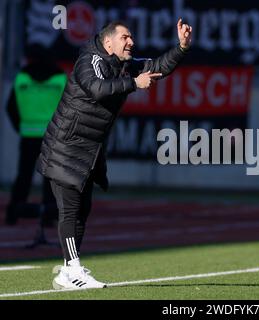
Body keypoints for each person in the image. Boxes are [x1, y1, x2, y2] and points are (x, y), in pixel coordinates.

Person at [36, 19, 192, 289]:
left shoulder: (123, 65)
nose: (131, 42)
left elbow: (156, 68)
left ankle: (67, 271)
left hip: (87, 150)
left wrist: (180, 47)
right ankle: (73, 270)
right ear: (109, 42)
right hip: (64, 147)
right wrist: (134, 83)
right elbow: (97, 89)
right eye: (125, 37)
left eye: (131, 37)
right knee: (70, 211)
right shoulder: (90, 60)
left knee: (82, 210)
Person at [5, 45, 66, 226]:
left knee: (23, 176)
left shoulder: (22, 77)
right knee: (50, 178)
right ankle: (48, 216)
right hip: (53, 135)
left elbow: (11, 108)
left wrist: (21, 127)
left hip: (28, 135)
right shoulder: (60, 78)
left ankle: (13, 213)